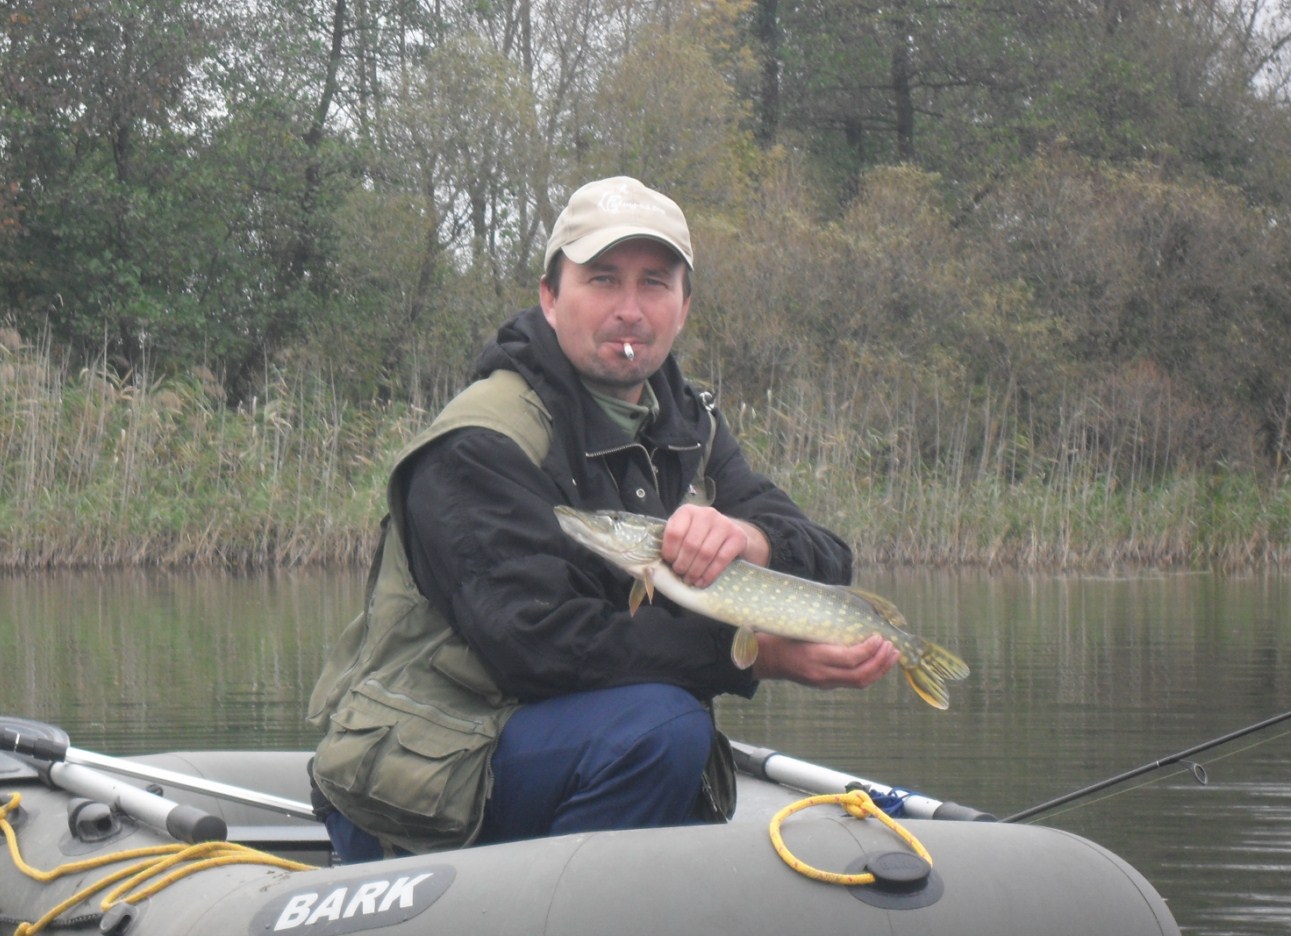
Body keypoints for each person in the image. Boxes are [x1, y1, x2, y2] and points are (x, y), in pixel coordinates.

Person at [308, 176, 898, 863]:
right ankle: (557, 918)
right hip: (424, 783)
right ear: (550, 297)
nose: (630, 310)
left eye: (655, 284)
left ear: (684, 307)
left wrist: (749, 538)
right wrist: (757, 656)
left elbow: (826, 557)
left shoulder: (687, 426)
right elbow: (541, 647)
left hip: (567, 747)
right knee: (662, 730)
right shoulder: (482, 441)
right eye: (603, 280)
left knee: (662, 727)